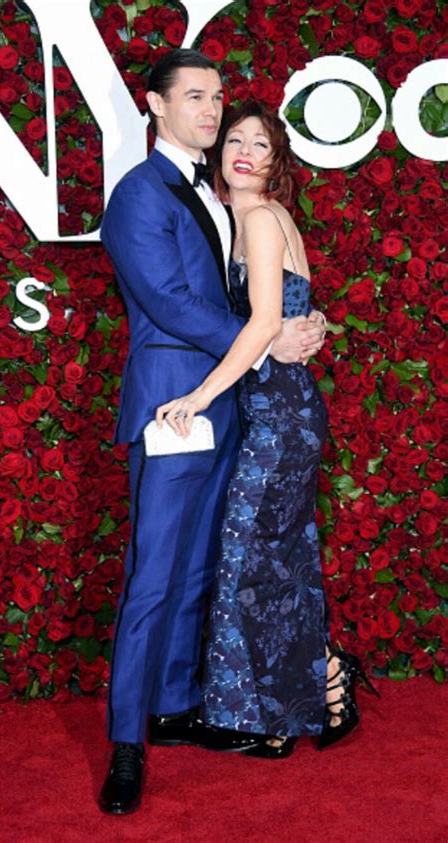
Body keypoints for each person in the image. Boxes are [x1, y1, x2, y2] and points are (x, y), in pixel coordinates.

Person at [99, 50, 326, 815]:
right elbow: (166, 302)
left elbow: (267, 282)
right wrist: (266, 335)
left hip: (229, 403)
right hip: (175, 403)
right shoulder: (138, 193)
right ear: (155, 106)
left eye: (216, 96)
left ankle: (170, 708)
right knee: (155, 575)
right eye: (192, 96)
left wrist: (295, 324)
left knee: (199, 566)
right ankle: (127, 743)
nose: (210, 108)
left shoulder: (227, 196)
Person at [157, 101, 374, 761]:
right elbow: (292, 317)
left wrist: (198, 395)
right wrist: (299, 332)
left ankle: (276, 716)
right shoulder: (269, 218)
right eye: (236, 140)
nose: (246, 151)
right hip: (288, 410)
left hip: (278, 417)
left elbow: (261, 326)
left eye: (261, 144)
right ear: (220, 152)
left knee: (253, 559)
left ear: (277, 162)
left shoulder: (255, 217)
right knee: (278, 558)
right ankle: (324, 683)